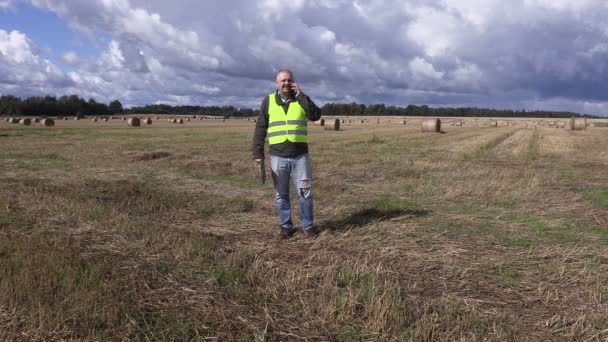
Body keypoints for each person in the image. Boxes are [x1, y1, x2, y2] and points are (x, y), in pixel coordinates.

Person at [252, 69, 322, 239]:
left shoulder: (300, 99)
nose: (286, 83)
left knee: (305, 193)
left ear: (293, 82)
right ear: (277, 83)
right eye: (282, 80)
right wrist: (257, 152)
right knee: (281, 195)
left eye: (289, 80)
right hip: (277, 157)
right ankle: (286, 226)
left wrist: (301, 95)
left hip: (300, 157)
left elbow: (316, 116)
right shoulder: (268, 101)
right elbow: (261, 127)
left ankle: (308, 227)